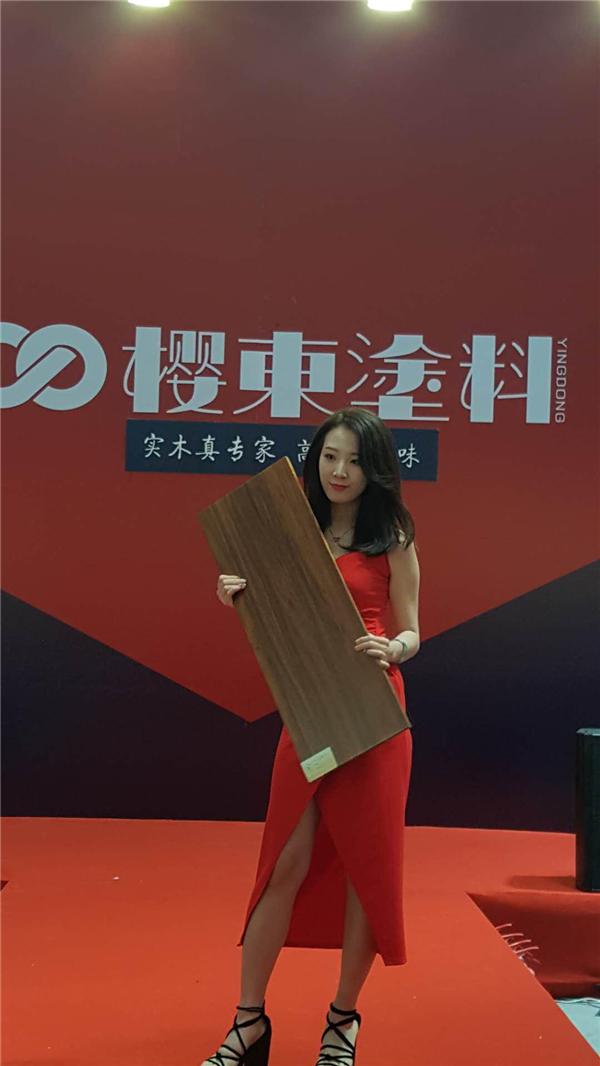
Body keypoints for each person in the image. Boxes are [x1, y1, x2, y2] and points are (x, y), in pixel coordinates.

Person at [202, 407, 420, 1066]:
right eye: (330, 457)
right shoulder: (290, 530)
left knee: (366, 870)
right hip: (307, 711)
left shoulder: (393, 537)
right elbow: (276, 622)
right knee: (284, 863)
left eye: (353, 460)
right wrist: (237, 594)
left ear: (374, 469)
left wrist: (393, 647)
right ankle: (248, 1022)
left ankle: (342, 1022)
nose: (340, 471)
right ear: (315, 460)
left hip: (374, 712)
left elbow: (412, 628)